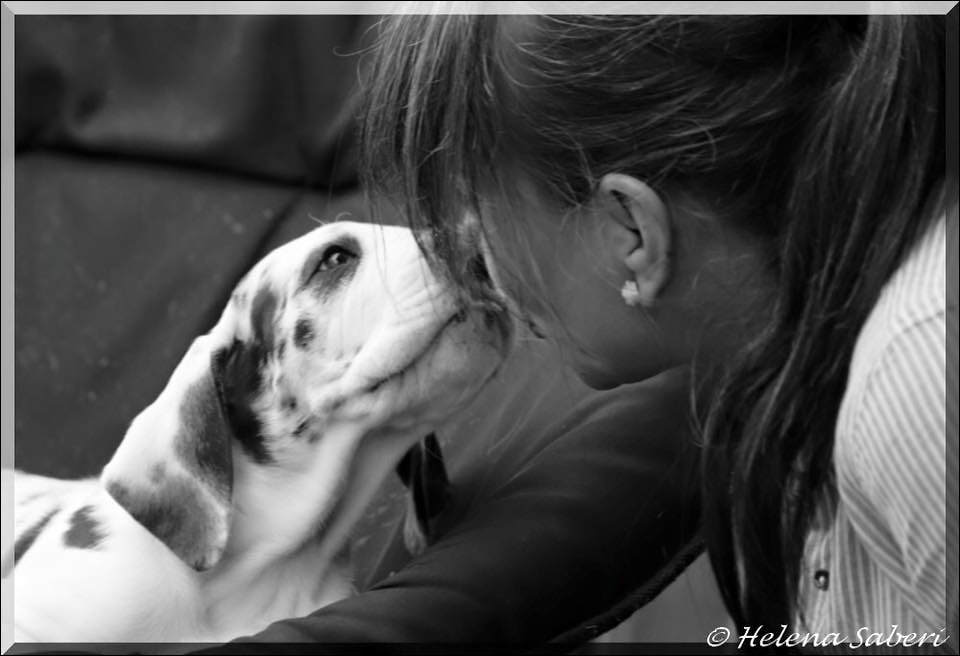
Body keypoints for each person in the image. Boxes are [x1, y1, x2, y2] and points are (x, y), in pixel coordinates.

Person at [361, 13, 958, 643]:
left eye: (478, 200)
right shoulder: (812, 341)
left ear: (632, 232)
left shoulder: (921, 373)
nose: (473, 253)